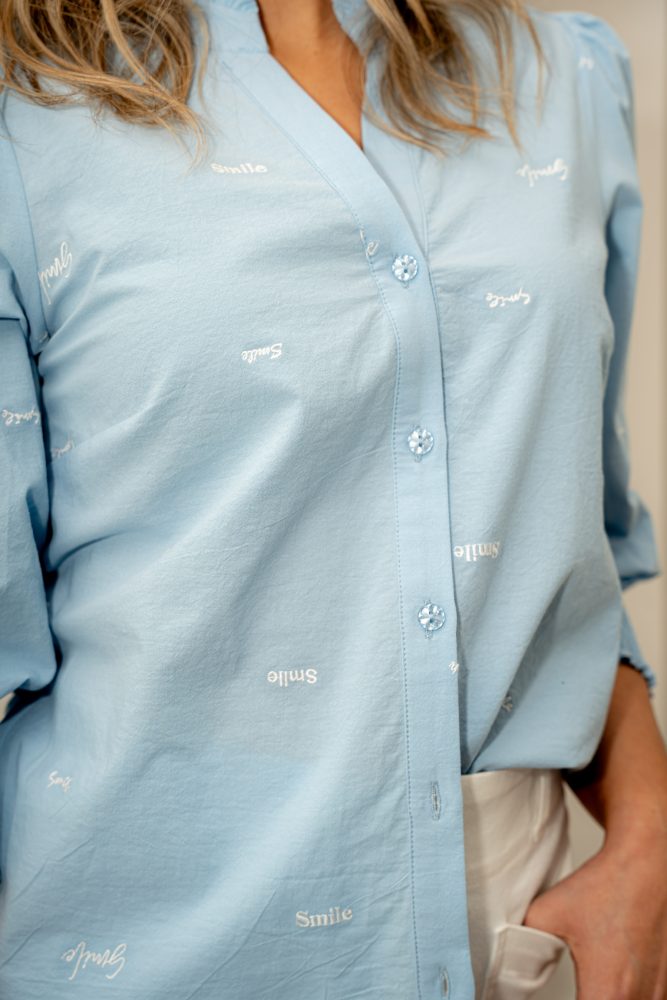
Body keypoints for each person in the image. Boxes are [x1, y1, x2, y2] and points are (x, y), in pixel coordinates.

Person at [0, 0, 665, 997]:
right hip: (149, 947)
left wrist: (647, 847)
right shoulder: (27, 110)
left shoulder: (550, 72)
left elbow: (575, 549)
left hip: (524, 941)